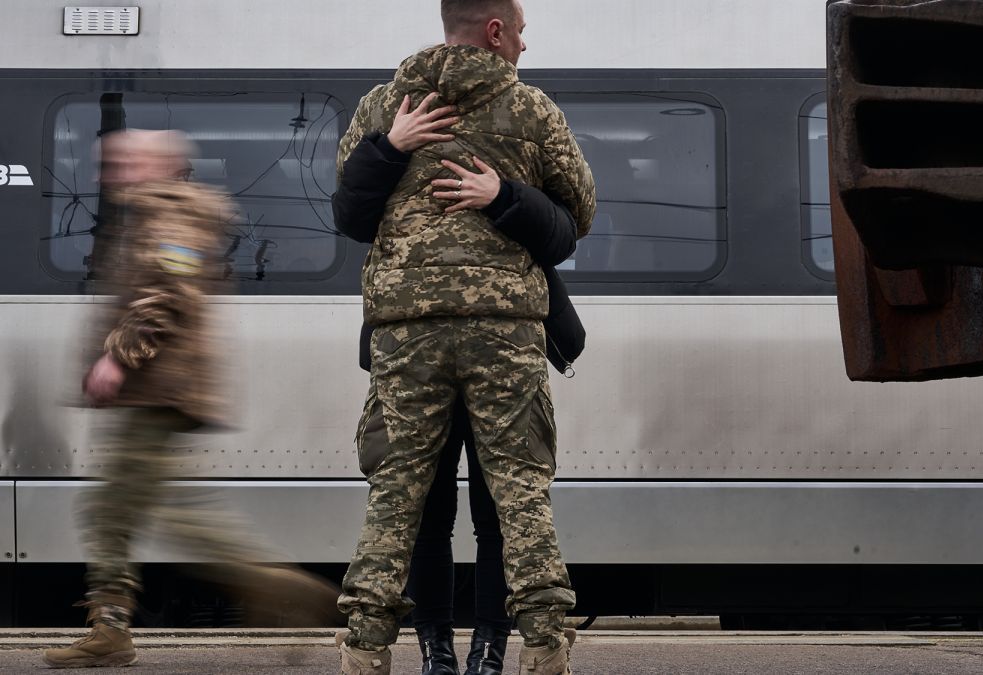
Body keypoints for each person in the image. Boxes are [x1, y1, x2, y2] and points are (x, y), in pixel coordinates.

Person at [334, 0, 596, 673]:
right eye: (523, 33)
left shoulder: (382, 104)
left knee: (398, 493)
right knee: (520, 491)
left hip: (405, 335)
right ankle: (543, 646)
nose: (525, 48)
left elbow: (349, 216)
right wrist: (394, 151)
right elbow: (579, 218)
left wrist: (497, 190)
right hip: (503, 334)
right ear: (496, 31)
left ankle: (364, 650)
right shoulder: (531, 110)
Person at [42, 130, 338, 669]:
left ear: (162, 165)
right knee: (122, 509)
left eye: (124, 160)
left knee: (142, 513)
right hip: (149, 391)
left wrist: (117, 358)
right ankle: (112, 626)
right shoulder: (149, 213)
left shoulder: (171, 214)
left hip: (156, 388)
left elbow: (167, 293)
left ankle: (277, 587)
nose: (110, 171)